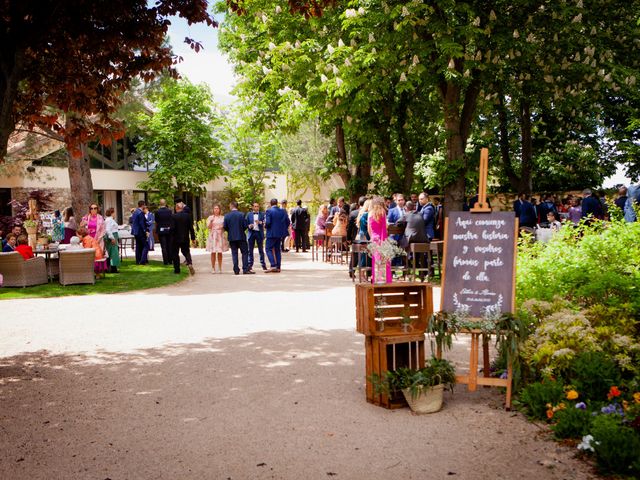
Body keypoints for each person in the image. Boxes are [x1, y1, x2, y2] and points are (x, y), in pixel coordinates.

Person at [224, 201, 252, 275]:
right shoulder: (242, 215)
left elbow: (225, 227)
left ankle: (236, 270)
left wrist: (230, 231)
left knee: (234, 253)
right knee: (245, 253)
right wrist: (241, 230)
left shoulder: (227, 216)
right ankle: (245, 269)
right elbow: (245, 226)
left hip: (232, 237)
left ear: (232, 206)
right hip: (241, 236)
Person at [368, 197, 391, 283]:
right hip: (382, 238)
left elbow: (369, 228)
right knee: (383, 259)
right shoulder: (383, 212)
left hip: (374, 238)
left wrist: (372, 237)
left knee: (375, 259)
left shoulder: (370, 213)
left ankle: (376, 278)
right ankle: (384, 279)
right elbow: (384, 227)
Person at [403, 201, 429, 276]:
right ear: (414, 207)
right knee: (420, 254)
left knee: (401, 247)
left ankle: (407, 269)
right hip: (423, 239)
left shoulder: (407, 214)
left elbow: (398, 222)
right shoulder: (420, 214)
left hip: (412, 239)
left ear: (406, 208)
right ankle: (422, 272)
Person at [265, 198, 289, 273]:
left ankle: (273, 265)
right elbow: (288, 222)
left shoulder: (269, 211)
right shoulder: (283, 211)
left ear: (270, 204)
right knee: (277, 250)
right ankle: (278, 267)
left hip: (271, 233)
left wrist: (265, 226)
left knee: (268, 248)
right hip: (280, 233)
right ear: (277, 203)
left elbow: (268, 222)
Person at [172, 202, 195, 275]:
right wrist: (193, 238)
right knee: (186, 251)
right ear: (182, 208)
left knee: (175, 253)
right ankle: (189, 262)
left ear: (176, 208)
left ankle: (177, 270)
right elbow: (191, 228)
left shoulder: (173, 216)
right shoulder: (187, 216)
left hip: (175, 238)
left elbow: (172, 228)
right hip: (185, 237)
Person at [206, 205, 229, 273]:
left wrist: (222, 229)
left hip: (220, 235)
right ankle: (213, 268)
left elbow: (225, 227)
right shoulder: (210, 217)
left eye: (217, 208)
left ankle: (220, 268)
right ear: (213, 210)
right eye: (215, 208)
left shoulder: (223, 217)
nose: (216, 210)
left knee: (220, 252)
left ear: (219, 209)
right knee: (213, 252)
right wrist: (211, 221)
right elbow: (208, 227)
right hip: (213, 235)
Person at [246, 202, 267, 271]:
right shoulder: (248, 214)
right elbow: (245, 223)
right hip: (251, 233)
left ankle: (263, 265)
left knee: (261, 250)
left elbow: (265, 223)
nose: (256, 208)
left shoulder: (262, 214)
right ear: (252, 207)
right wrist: (249, 226)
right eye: (255, 206)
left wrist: (260, 222)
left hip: (259, 233)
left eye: (257, 206)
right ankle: (250, 265)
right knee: (250, 250)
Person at [154, 199, 173, 265]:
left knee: (163, 246)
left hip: (161, 231)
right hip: (168, 230)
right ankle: (170, 260)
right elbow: (171, 220)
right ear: (165, 203)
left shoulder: (157, 212)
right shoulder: (169, 211)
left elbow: (156, 221)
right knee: (169, 245)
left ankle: (165, 261)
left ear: (160, 203)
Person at [130, 200, 149, 265]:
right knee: (146, 246)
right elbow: (141, 223)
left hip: (135, 232)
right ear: (143, 205)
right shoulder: (140, 213)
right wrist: (145, 231)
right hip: (140, 232)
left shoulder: (135, 212)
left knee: (138, 246)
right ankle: (143, 260)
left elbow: (133, 221)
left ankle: (138, 260)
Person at [104, 207, 121, 273]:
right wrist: (112, 238)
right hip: (112, 236)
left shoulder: (109, 220)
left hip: (113, 235)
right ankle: (113, 268)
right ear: (112, 213)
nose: (115, 214)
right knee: (113, 253)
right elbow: (108, 230)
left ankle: (111, 268)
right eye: (114, 213)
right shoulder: (109, 220)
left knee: (112, 252)